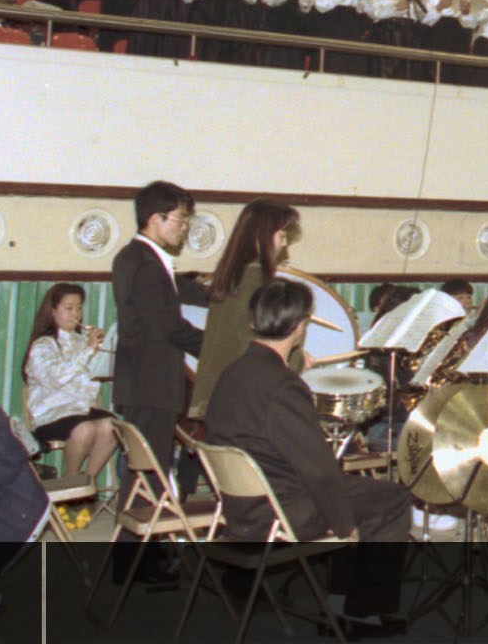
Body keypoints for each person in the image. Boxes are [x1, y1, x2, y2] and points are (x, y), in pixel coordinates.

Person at [203, 280, 409, 637]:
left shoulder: (232, 373)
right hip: (278, 513)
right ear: (300, 327)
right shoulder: (284, 386)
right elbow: (320, 472)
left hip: (238, 507)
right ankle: (361, 614)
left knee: (349, 493)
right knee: (390, 499)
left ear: (252, 322)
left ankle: (340, 602)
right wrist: (344, 527)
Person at [109, 180, 206, 582]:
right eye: (180, 220)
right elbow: (169, 326)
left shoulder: (135, 257)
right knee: (148, 473)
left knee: (142, 472)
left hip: (141, 381)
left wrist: (215, 295)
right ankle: (135, 564)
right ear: (156, 218)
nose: (184, 228)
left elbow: (173, 291)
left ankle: (133, 561)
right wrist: (216, 347)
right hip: (152, 383)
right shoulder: (148, 265)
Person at [189, 200, 302, 418]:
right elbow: (256, 345)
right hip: (241, 399)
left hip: (222, 394)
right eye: (281, 236)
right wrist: (297, 360)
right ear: (261, 235)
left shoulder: (234, 274)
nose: (284, 244)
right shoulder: (253, 280)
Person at [21, 283, 117, 479]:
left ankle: (87, 482)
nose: (76, 314)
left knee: (112, 427)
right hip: (52, 412)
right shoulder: (43, 345)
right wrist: (88, 352)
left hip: (83, 409)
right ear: (53, 311)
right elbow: (55, 379)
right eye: (69, 308)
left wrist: (107, 351)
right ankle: (71, 479)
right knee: (84, 430)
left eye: (79, 308)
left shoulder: (83, 342)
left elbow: (102, 376)